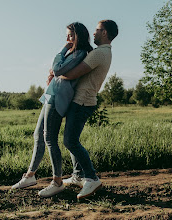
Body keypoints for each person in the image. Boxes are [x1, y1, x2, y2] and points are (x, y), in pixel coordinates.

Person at [11, 22, 93, 198]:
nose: (67, 39)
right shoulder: (73, 52)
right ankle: (30, 175)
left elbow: (58, 69)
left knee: (49, 139)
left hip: (58, 100)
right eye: (66, 36)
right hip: (51, 96)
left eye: (70, 35)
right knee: (38, 135)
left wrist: (62, 50)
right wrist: (53, 76)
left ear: (78, 36)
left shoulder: (79, 53)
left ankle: (57, 182)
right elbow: (57, 74)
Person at [55, 20, 119, 199]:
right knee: (72, 139)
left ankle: (91, 177)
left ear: (105, 33)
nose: (94, 33)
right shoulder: (102, 53)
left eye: (98, 30)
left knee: (70, 141)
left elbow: (73, 73)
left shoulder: (99, 53)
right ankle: (77, 175)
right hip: (81, 100)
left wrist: (57, 72)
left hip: (82, 102)